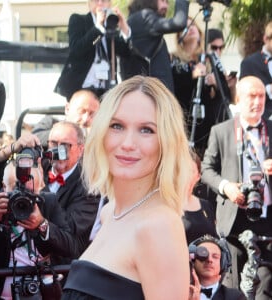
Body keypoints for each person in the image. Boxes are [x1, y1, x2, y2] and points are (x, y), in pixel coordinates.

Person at [61, 75, 192, 299]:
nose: (128, 143)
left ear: (166, 142)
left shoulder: (159, 226)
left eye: (146, 130)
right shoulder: (109, 213)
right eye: (117, 126)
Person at [201, 76, 272, 298]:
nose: (257, 102)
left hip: (270, 221)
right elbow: (206, 170)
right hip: (234, 220)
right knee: (235, 286)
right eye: (251, 96)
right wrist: (226, 187)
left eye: (261, 96)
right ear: (238, 99)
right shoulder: (221, 131)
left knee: (266, 284)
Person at [0, 158, 80, 299]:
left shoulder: (48, 203)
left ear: (41, 188)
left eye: (29, 193)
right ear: (4, 187)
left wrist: (42, 224)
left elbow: (72, 247)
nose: (23, 198)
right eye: (16, 191)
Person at [171, 18, 229, 158]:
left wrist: (215, 83)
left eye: (193, 25)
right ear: (179, 36)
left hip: (209, 121)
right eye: (185, 27)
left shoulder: (211, 57)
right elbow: (173, 87)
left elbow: (225, 91)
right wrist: (192, 75)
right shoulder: (173, 58)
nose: (190, 28)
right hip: (185, 120)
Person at [44, 120, 99, 262]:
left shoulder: (89, 186)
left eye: (65, 145)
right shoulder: (38, 167)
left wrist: (40, 189)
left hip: (62, 264)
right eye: (53, 144)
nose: (58, 150)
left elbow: (67, 229)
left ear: (81, 150)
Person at [54, 0, 131, 100]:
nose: (100, 4)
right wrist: (98, 28)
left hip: (106, 88)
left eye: (104, 1)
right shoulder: (78, 20)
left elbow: (125, 52)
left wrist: (124, 29)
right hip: (81, 85)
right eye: (95, 0)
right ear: (89, 3)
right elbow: (77, 49)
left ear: (110, 4)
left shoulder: (110, 25)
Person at [119, 0, 189, 93]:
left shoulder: (135, 20)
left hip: (142, 91)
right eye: (162, 1)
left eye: (167, 2)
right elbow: (178, 22)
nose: (166, 6)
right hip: (153, 93)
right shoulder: (145, 17)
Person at [240, 16, 272, 119]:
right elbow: (244, 95)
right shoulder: (249, 63)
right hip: (263, 121)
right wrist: (271, 88)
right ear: (266, 39)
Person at [32, 89, 100, 148]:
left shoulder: (98, 135)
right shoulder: (50, 122)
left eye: (92, 114)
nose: (86, 119)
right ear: (67, 109)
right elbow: (34, 138)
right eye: (82, 111)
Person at [189, 235, 245, 300]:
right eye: (203, 254)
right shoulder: (180, 292)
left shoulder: (235, 296)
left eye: (215, 256)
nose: (209, 260)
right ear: (192, 261)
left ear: (222, 263)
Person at [183, 152, 218, 244]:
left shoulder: (206, 205)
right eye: (182, 170)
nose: (185, 175)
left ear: (198, 176)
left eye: (190, 171)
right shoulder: (167, 205)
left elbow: (214, 238)